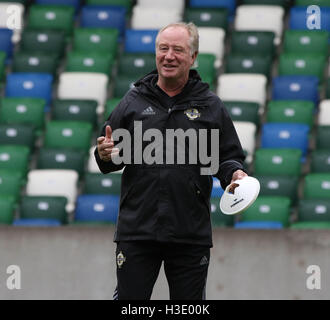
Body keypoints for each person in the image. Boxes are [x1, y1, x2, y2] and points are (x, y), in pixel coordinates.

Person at [95, 22, 248, 300]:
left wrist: (235, 174)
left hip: (189, 231)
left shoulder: (210, 106)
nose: (169, 56)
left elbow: (227, 157)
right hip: (137, 230)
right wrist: (104, 154)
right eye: (163, 48)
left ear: (193, 56)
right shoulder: (133, 101)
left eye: (178, 49)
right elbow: (110, 156)